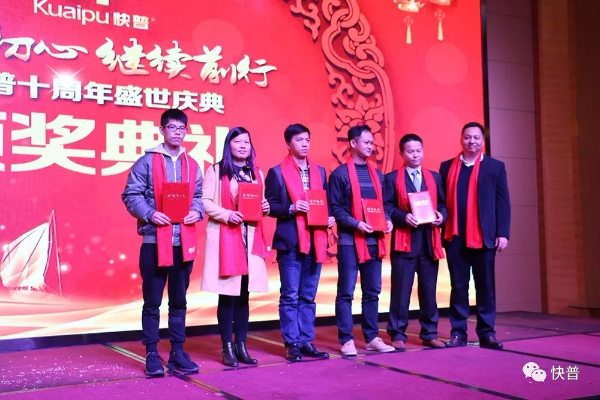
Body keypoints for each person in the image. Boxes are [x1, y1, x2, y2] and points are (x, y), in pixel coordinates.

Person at [122, 108, 204, 376]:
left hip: (184, 242)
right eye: (172, 127)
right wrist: (150, 213)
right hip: (155, 241)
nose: (177, 132)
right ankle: (152, 354)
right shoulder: (146, 162)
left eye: (182, 128)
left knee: (179, 301)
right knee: (152, 301)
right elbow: (131, 195)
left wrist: (197, 211)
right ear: (162, 130)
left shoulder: (193, 164)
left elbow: (200, 197)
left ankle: (178, 352)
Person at [200, 127, 271, 367]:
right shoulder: (216, 170)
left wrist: (265, 206)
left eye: (246, 142)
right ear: (228, 145)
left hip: (250, 239)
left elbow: (258, 202)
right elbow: (204, 202)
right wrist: (226, 214)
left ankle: (242, 345)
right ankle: (226, 347)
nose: (243, 146)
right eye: (238, 141)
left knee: (244, 296)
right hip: (227, 237)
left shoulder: (257, 173)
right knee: (227, 296)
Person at [265, 123, 335, 362]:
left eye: (307, 140)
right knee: (290, 295)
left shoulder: (320, 172)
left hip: (316, 240)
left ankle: (306, 340)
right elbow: (270, 207)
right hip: (290, 242)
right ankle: (292, 343)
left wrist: (329, 217)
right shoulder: (276, 173)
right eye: (299, 140)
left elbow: (325, 203)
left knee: (308, 296)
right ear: (288, 143)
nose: (304, 144)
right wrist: (292, 208)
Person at [439, 122, 510, 349]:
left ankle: (487, 333)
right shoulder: (447, 167)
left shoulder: (495, 167)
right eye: (468, 137)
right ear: (461, 139)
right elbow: (441, 201)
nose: (472, 141)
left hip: (484, 237)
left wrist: (503, 233)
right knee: (458, 287)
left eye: (476, 137)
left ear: (482, 141)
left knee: (485, 287)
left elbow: (503, 202)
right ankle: (458, 333)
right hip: (455, 236)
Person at [329, 124, 395, 356]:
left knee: (372, 292)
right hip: (350, 240)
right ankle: (346, 339)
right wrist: (356, 223)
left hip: (374, 240)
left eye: (372, 143)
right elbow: (335, 208)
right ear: (352, 143)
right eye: (366, 142)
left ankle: (371, 337)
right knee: (346, 292)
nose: (371, 147)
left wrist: (388, 219)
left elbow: (385, 205)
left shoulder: (378, 175)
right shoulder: (340, 174)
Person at [384, 134, 447, 351]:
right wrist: (403, 217)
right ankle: (397, 333)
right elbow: (387, 206)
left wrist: (441, 216)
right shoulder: (392, 178)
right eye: (410, 151)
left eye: (418, 150)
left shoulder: (435, 177)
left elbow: (444, 205)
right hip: (404, 242)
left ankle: (429, 333)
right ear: (402, 153)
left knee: (429, 291)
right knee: (400, 291)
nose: (415, 155)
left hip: (429, 243)